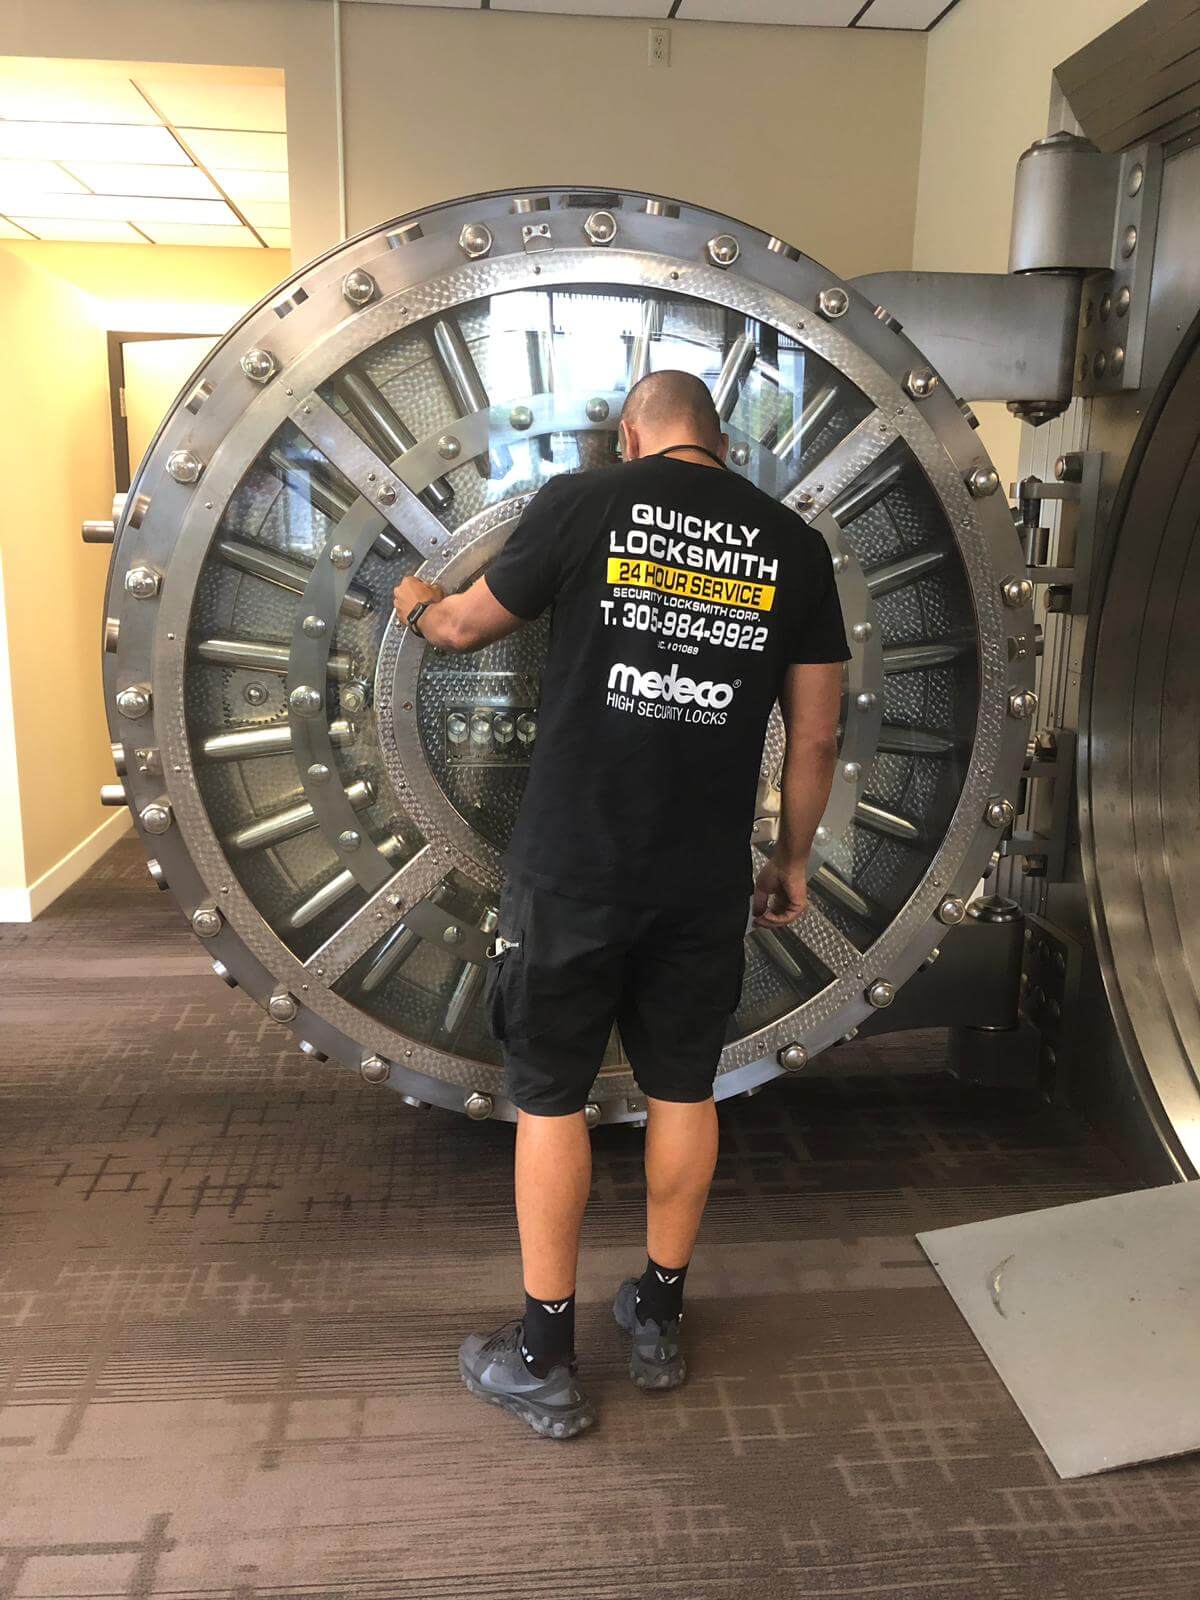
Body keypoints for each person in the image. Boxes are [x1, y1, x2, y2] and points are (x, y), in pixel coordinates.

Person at [393, 369, 848, 1440]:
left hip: (574, 864)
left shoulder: (584, 500)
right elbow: (817, 735)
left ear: (635, 435)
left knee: (551, 1096)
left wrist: (415, 600)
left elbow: (461, 628)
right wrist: (790, 856)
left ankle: (544, 1355)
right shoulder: (792, 545)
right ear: (721, 442)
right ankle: (657, 1314)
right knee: (684, 1087)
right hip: (700, 872)